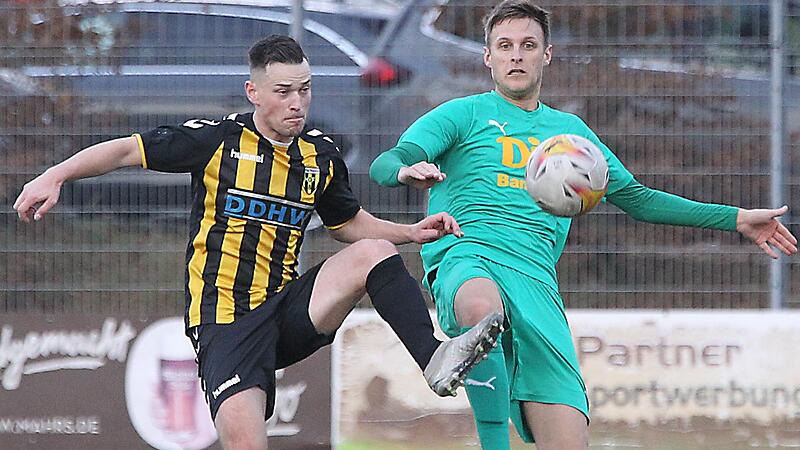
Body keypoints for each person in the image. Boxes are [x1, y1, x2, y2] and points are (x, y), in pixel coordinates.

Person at [13, 35, 504, 450]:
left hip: (288, 310)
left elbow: (346, 222)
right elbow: (125, 150)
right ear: (254, 92)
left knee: (376, 252)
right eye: (284, 91)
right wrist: (55, 176)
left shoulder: (320, 155)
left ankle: (434, 358)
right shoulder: (216, 141)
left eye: (305, 91)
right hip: (225, 323)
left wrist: (408, 233)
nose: (297, 102)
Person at [369, 1, 798, 449]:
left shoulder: (570, 136)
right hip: (469, 254)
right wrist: (405, 170)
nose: (516, 55)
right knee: (482, 309)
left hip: (537, 283)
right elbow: (386, 161)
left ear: (546, 55)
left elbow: (640, 200)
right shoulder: (463, 115)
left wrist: (736, 219)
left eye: (528, 45)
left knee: (568, 440)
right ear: (488, 57)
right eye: (505, 46)